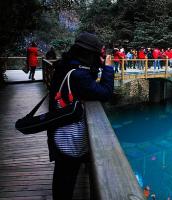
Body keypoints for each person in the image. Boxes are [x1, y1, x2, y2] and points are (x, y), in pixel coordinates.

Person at [48, 32, 114, 200]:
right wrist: (107, 67)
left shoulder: (67, 66)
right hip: (69, 135)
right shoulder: (78, 75)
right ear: (89, 54)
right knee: (67, 178)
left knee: (62, 175)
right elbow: (105, 93)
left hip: (58, 127)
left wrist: (94, 67)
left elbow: (87, 81)